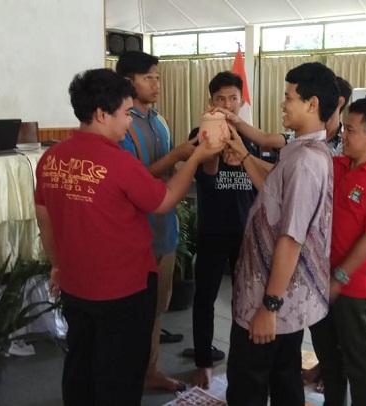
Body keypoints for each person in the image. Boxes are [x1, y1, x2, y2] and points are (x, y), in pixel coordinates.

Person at [34, 68, 221, 405]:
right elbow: (164, 200)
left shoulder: (51, 159)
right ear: (101, 114)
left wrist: (58, 265)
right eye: (125, 113)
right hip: (124, 290)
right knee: (120, 373)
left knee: (80, 363)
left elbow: (44, 218)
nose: (129, 122)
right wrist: (195, 158)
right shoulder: (119, 162)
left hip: (75, 286)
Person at [223, 62, 339, 406]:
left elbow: (291, 238)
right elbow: (274, 196)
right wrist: (244, 155)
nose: (283, 104)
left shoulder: (305, 162)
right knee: (283, 373)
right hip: (283, 299)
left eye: (289, 97)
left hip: (272, 299)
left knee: (248, 382)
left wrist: (268, 307)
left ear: (312, 104)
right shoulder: (300, 150)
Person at [310, 97, 366, 406]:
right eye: (344, 128)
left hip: (352, 285)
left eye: (350, 130)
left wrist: (339, 278)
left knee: (357, 357)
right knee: (327, 355)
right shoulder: (335, 166)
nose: (343, 135)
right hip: (319, 277)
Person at [115, 51, 193, 391]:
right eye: (149, 77)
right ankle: (126, 376)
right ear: (128, 81)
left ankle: (150, 370)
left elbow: (168, 174)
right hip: (136, 235)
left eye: (157, 77)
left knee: (158, 308)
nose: (156, 84)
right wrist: (177, 155)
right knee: (133, 311)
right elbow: (132, 181)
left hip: (165, 229)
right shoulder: (122, 125)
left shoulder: (159, 121)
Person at [184, 71, 260, 389]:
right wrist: (214, 149)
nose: (227, 105)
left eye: (233, 99)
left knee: (246, 298)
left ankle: (244, 357)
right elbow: (206, 176)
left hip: (246, 233)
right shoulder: (199, 134)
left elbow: (261, 185)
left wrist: (242, 154)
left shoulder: (252, 138)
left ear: (242, 101)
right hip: (213, 230)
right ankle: (203, 361)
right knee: (205, 297)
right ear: (211, 101)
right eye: (221, 99)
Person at [219, 77, 352, 157]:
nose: (283, 105)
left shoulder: (348, 142)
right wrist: (235, 119)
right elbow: (265, 139)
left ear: (339, 102)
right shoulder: (299, 137)